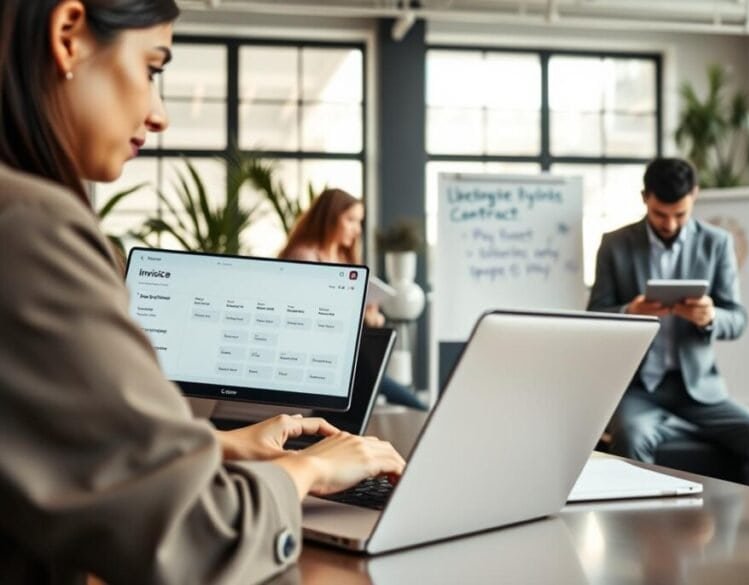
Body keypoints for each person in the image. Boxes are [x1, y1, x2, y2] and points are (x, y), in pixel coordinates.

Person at [0, 2, 405, 582]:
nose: (159, 114)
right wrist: (312, 471)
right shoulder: (28, 228)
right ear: (68, 37)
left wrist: (222, 448)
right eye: (152, 68)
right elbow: (195, 535)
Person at [587, 158, 749, 493]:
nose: (670, 223)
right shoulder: (614, 245)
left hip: (700, 390)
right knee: (632, 438)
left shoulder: (717, 243)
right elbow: (594, 318)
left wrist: (711, 317)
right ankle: (639, 539)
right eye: (660, 214)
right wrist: (630, 310)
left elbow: (737, 319)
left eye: (680, 214)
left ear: (694, 196)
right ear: (644, 198)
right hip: (638, 389)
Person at [279, 189, 428, 411]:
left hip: (346, 357)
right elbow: (308, 317)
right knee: (411, 403)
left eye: (359, 222)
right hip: (320, 359)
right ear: (328, 217)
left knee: (404, 400)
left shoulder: (341, 258)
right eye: (350, 220)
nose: (357, 230)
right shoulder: (304, 256)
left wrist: (370, 317)